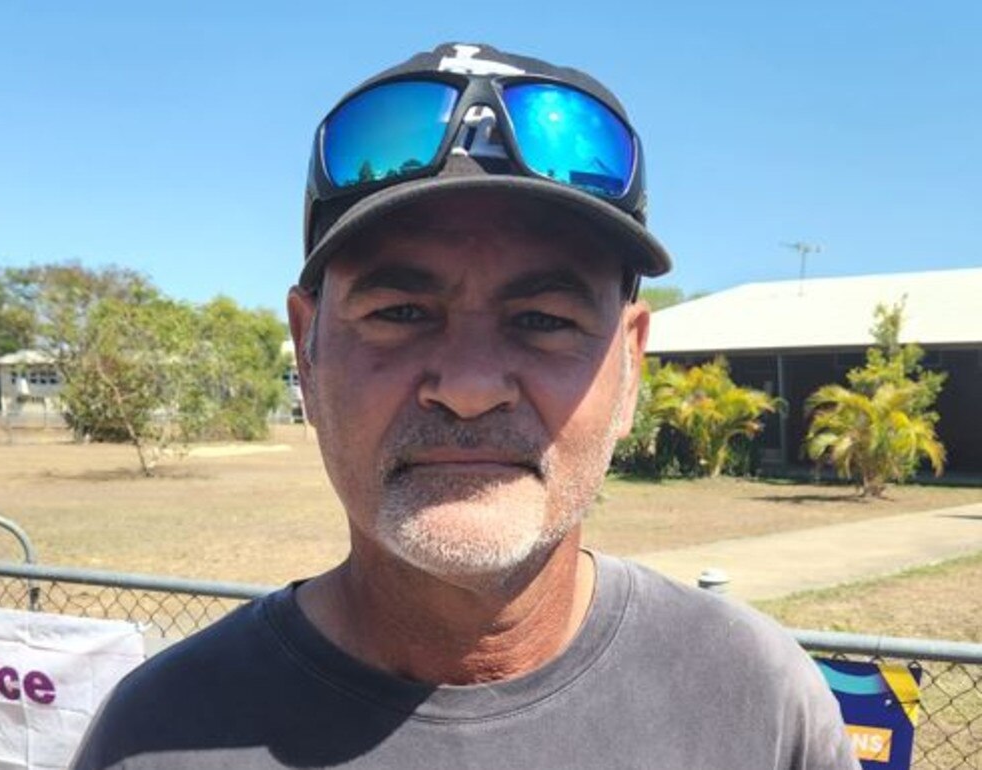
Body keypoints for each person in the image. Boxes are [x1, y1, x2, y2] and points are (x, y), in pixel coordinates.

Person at [73, 42, 858, 769]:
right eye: (401, 313)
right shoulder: (159, 738)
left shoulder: (757, 701)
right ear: (307, 352)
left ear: (630, 365)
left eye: (544, 321)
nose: (470, 385)